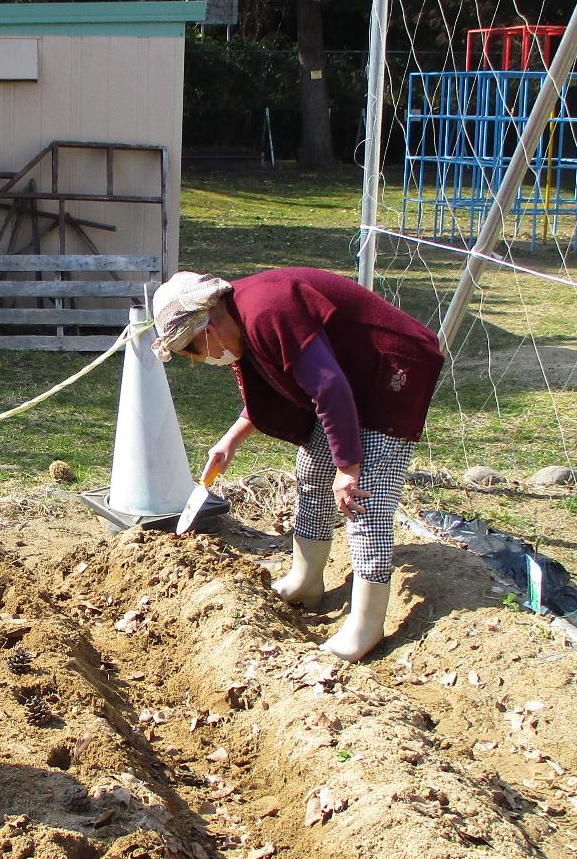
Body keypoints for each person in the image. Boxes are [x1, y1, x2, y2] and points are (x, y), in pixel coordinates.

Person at [151, 267, 444, 661]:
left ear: (208, 325)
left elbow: (328, 387)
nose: (202, 360)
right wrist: (229, 441)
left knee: (363, 499)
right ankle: (307, 580)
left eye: (195, 350)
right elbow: (282, 386)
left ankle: (366, 623)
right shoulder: (242, 323)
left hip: (390, 371)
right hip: (349, 382)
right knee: (312, 471)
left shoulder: (267, 311)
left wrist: (349, 468)